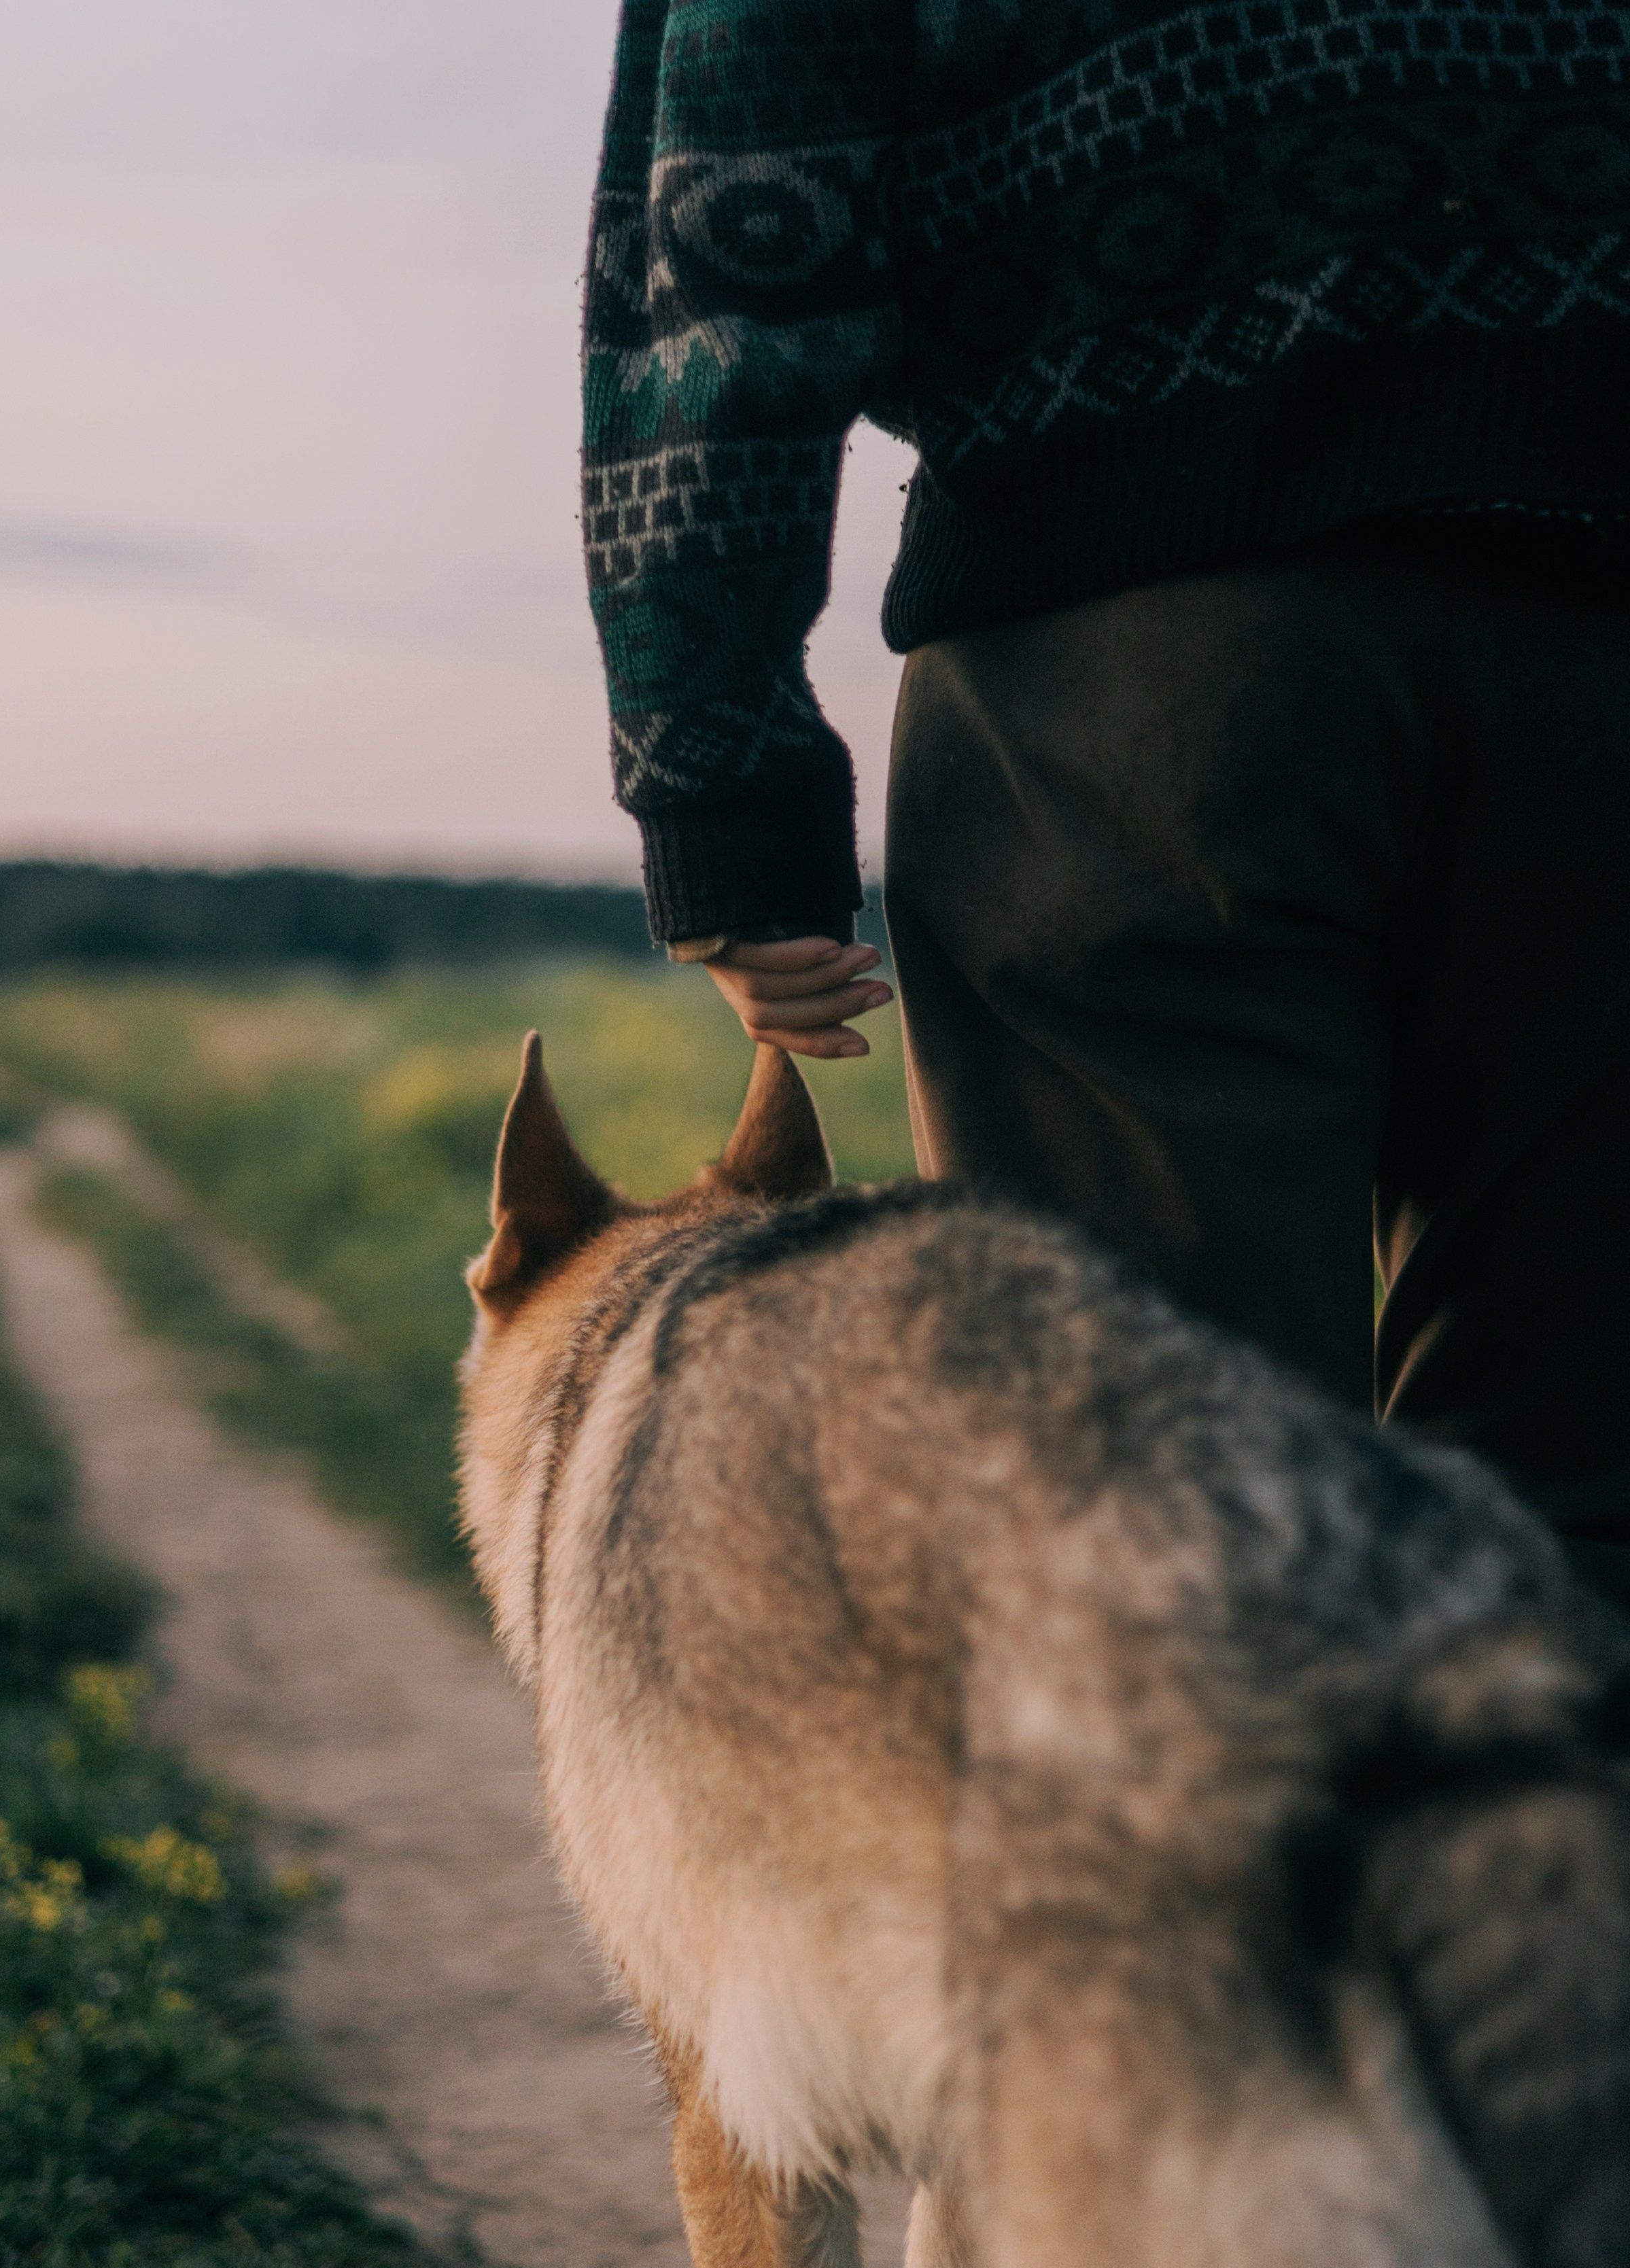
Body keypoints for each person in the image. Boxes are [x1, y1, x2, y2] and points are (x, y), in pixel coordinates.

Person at [580, 0, 1630, 1610]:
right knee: (1578, 1526)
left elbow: (737, 218)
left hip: (1131, 639)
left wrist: (718, 770)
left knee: (1154, 1524)